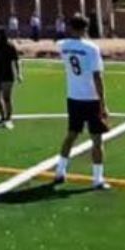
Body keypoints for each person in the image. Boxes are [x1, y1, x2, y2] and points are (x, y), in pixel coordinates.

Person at [52, 13, 109, 189]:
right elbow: (97, 76)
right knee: (97, 141)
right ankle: (97, 179)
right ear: (86, 28)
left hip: (73, 97)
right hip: (90, 99)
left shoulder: (63, 45)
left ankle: (60, 171)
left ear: (70, 27)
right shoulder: (91, 48)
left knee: (71, 135)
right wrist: (103, 103)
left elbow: (59, 43)